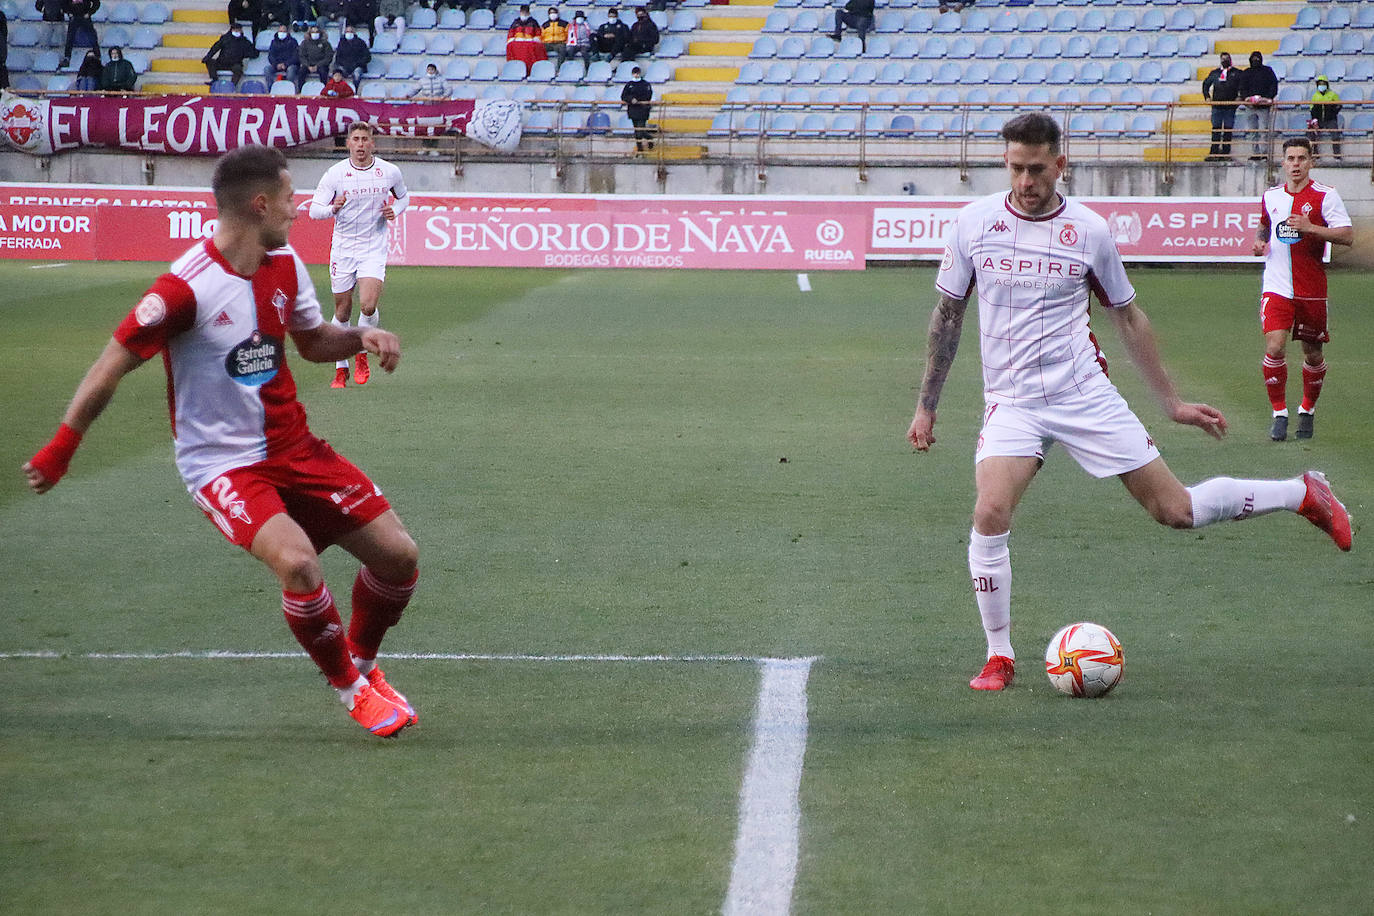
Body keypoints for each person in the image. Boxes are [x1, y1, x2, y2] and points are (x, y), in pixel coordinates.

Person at [906, 112, 1353, 693]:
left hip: (1084, 395)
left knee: (1177, 511)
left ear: (1060, 165)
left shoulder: (1089, 231)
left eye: (1036, 169)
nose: (1025, 181)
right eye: (1015, 169)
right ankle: (999, 656)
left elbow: (1129, 317)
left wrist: (1171, 403)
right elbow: (947, 316)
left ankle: (1302, 493)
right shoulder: (973, 224)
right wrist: (926, 406)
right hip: (1012, 402)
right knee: (990, 512)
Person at [22, 144, 421, 738]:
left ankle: (362, 664)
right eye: (289, 199)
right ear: (260, 205)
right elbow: (109, 367)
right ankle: (351, 690)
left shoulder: (284, 265)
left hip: (294, 447)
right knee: (298, 563)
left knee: (399, 558)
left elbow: (313, 342)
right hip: (222, 465)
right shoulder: (183, 289)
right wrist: (62, 447)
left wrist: (361, 336)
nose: (297, 209)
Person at [1252, 137, 1353, 442]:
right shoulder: (1271, 196)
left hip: (1311, 288)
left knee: (1313, 354)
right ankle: (1279, 413)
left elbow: (1347, 236)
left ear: (1311, 162)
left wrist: (1310, 228)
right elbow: (1265, 224)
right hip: (1276, 286)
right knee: (1274, 346)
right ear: (1283, 163)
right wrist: (1260, 241)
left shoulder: (1325, 196)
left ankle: (1307, 409)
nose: (1296, 164)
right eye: (1291, 159)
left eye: (1301, 158)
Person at [309, 120, 409, 389]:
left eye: (365, 139)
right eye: (356, 139)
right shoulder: (335, 174)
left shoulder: (389, 172)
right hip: (343, 250)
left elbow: (404, 197)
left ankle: (361, 354)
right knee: (342, 312)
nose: (361, 144)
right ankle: (341, 367)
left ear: (372, 143)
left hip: (373, 247)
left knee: (368, 306)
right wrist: (333, 208)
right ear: (348, 144)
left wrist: (395, 210)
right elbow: (314, 210)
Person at [1237, 50, 1278, 161]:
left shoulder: (1268, 71)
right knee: (1253, 132)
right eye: (1253, 59)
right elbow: (1242, 88)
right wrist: (1247, 98)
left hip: (1264, 107)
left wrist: (1266, 98)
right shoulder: (1246, 72)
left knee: (1264, 131)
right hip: (1250, 107)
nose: (1256, 61)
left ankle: (1264, 153)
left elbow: (1273, 86)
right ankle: (1255, 153)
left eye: (1257, 59)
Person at [1201, 52, 1241, 161]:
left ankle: (1225, 154)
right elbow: (1205, 85)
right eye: (1223, 59)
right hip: (1217, 107)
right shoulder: (1215, 73)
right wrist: (1207, 97)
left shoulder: (1237, 73)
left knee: (1228, 130)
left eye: (1227, 58)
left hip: (1230, 107)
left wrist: (1239, 97)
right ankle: (1214, 153)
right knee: (1216, 130)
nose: (1225, 60)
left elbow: (1243, 86)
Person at [506, 4, 546, 76]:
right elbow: (511, 34)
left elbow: (538, 34)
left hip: (530, 42)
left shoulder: (534, 22)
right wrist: (514, 39)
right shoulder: (515, 22)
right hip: (517, 43)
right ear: (520, 12)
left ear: (528, 13)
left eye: (525, 13)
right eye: (522, 12)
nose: (524, 14)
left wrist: (533, 39)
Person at [1308, 75, 1342, 161]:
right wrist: (1314, 120)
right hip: (1319, 120)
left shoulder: (1333, 95)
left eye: (1323, 84)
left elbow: (1339, 105)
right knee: (1311, 134)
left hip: (1330, 120)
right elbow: (1312, 109)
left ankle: (1337, 156)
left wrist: (1332, 112)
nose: (1321, 86)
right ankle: (1315, 155)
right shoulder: (1315, 96)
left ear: (1327, 85)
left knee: (1335, 135)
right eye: (1320, 84)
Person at [59, 0, 101, 69]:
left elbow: (96, 3)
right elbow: (63, 3)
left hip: (85, 17)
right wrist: (69, 12)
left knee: (92, 37)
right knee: (70, 38)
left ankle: (98, 56)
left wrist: (89, 13)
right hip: (74, 17)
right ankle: (67, 58)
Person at [621, 64, 653, 152]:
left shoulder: (645, 84)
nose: (636, 75)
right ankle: (641, 147)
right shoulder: (629, 84)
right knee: (637, 130)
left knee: (640, 130)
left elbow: (648, 95)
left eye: (637, 73)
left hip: (643, 110)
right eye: (634, 73)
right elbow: (624, 96)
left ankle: (647, 140)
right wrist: (631, 99)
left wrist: (638, 100)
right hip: (633, 111)